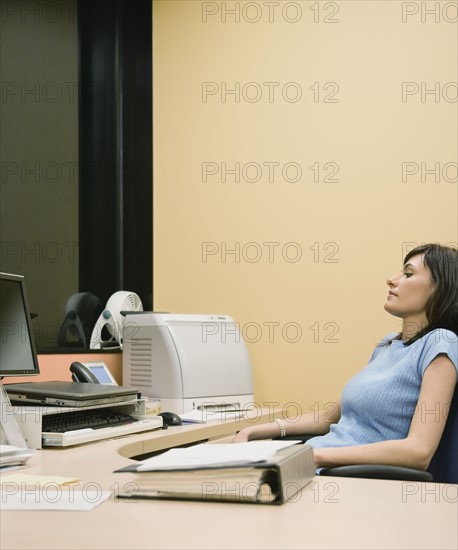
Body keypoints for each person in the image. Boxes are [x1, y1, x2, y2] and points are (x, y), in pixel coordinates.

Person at [233, 243, 458, 471]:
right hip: (308, 466)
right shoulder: (387, 345)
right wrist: (251, 431)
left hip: (339, 478)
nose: (392, 279)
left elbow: (418, 451)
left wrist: (313, 456)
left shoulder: (441, 342)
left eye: (408, 274)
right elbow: (327, 417)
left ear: (440, 288)